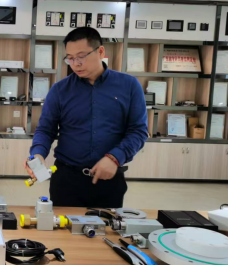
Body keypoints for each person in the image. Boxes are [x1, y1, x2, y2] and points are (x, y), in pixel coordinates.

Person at [25, 27, 148, 208]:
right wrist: (37, 154)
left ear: (101, 52)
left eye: (81, 56)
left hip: (109, 179)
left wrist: (114, 158)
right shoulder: (60, 90)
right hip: (67, 180)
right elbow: (45, 129)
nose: (75, 64)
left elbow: (138, 131)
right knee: (63, 225)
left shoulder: (129, 85)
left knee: (107, 225)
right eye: (70, 58)